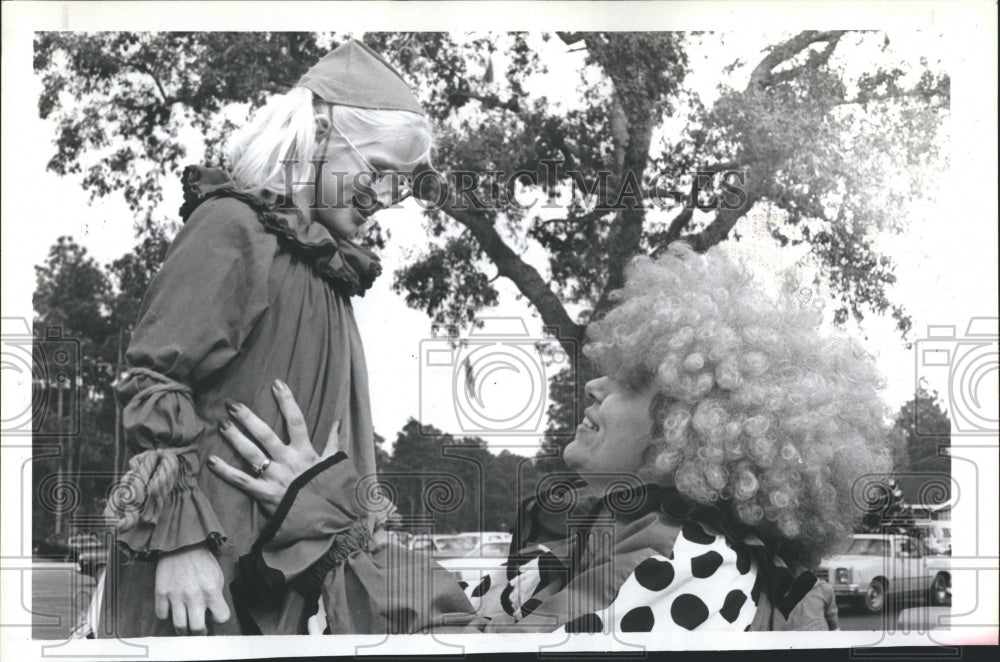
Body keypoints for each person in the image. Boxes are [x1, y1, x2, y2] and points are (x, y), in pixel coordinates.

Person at [207, 242, 892, 634]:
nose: (594, 388)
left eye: (630, 381)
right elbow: (475, 609)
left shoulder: (683, 563)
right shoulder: (611, 539)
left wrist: (329, 520)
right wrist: (345, 523)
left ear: (698, 431)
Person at [98, 40, 432, 637]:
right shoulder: (234, 224)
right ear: (322, 134)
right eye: (379, 171)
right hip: (196, 580)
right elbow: (154, 379)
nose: (385, 200)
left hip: (273, 583)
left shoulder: (325, 269)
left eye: (399, 186)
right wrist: (179, 543)